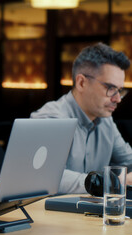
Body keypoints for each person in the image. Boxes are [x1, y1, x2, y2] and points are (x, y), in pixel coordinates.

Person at [30, 42, 132, 194]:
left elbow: (128, 161)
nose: (117, 99)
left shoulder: (106, 121)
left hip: (87, 213)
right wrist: (114, 182)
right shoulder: (51, 118)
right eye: (110, 88)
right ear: (81, 82)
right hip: (49, 214)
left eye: (120, 91)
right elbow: (44, 176)